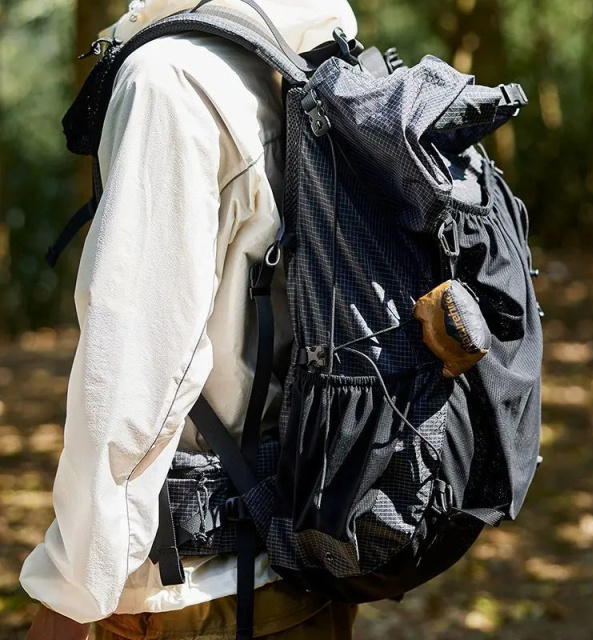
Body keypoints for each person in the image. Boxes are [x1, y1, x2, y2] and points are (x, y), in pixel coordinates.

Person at [20, 1, 359, 638]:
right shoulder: (297, 49)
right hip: (304, 559)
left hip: (197, 593)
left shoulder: (170, 81)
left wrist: (68, 599)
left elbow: (134, 374)